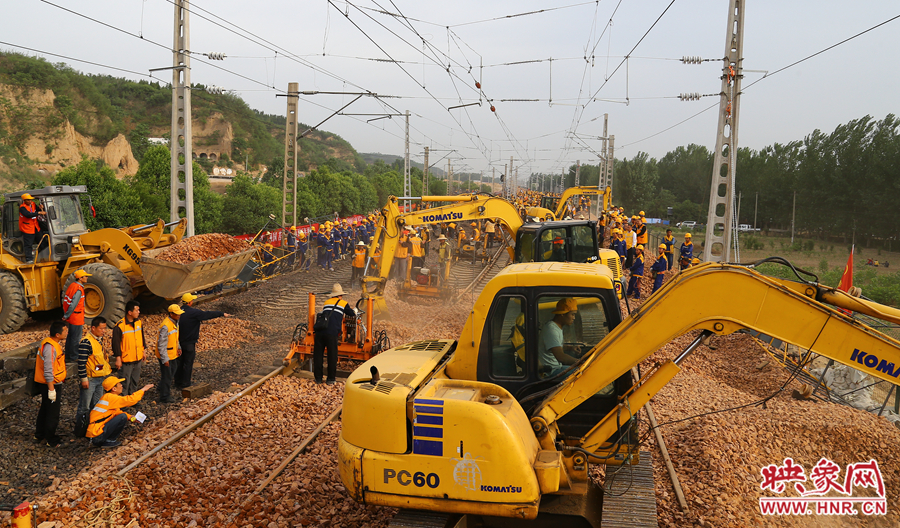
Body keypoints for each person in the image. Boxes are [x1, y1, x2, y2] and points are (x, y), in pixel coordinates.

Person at [175, 293, 230, 389]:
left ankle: (177, 382)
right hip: (189, 343)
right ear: (190, 302)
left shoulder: (178, 312)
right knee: (188, 363)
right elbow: (207, 314)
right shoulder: (193, 312)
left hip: (178, 342)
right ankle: (186, 383)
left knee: (179, 362)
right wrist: (221, 313)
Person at [86, 376, 153, 448]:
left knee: (123, 416)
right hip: (96, 435)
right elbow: (130, 400)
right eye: (119, 384)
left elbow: (117, 412)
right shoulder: (110, 397)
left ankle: (108, 441)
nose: (121, 385)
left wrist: (131, 418)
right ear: (114, 389)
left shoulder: (108, 398)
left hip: (96, 434)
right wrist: (143, 389)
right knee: (122, 417)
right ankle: (109, 441)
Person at [75, 316, 111, 435]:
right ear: (93, 328)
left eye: (104, 328)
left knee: (97, 405)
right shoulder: (86, 342)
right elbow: (81, 362)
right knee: (84, 407)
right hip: (90, 380)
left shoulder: (98, 340)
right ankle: (80, 430)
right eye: (101, 328)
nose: (103, 331)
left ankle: (93, 428)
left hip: (99, 378)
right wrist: (84, 379)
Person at [34, 321, 68, 447]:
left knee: (45, 409)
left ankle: (40, 434)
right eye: (65, 331)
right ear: (58, 334)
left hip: (49, 383)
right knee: (52, 413)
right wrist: (51, 389)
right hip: (51, 383)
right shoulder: (50, 348)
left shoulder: (51, 344)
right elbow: (48, 369)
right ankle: (51, 439)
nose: (67, 332)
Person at [313, 283, 354, 384]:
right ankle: (330, 379)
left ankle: (318, 379)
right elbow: (352, 314)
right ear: (340, 295)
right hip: (332, 333)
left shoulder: (327, 302)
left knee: (318, 356)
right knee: (332, 356)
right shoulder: (343, 303)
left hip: (320, 332)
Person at [538, 298, 581, 377]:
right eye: (572, 314)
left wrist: (570, 348)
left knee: (581, 370)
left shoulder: (556, 327)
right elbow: (561, 357)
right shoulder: (551, 329)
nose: (574, 318)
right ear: (562, 314)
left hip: (557, 367)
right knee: (583, 373)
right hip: (550, 372)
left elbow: (554, 347)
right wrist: (581, 362)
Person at [112, 300, 146, 397]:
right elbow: (116, 344)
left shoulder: (139, 322)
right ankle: (123, 402)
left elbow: (142, 338)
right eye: (137, 310)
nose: (138, 312)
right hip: (126, 360)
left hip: (137, 358)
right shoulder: (120, 326)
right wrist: (118, 359)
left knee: (135, 381)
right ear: (130, 312)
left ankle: (133, 400)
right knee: (124, 383)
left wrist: (143, 351)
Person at [156, 305, 183, 403]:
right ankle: (164, 397)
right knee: (167, 376)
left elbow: (175, 338)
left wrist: (178, 347)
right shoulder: (166, 326)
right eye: (177, 314)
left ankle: (161, 387)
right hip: (167, 355)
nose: (179, 315)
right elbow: (161, 344)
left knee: (171, 373)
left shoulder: (175, 322)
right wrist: (165, 359)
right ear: (171, 314)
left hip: (172, 354)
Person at [62, 269, 91, 360]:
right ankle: (74, 357)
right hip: (76, 317)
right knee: (75, 338)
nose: (87, 278)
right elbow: (73, 304)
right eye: (85, 276)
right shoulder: (78, 289)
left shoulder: (72, 286)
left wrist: (66, 315)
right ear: (80, 278)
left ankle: (68, 355)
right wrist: (66, 315)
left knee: (70, 336)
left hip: (73, 316)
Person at [18, 193, 47, 264]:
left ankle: (45, 255)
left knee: (42, 240)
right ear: (24, 200)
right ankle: (29, 259)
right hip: (27, 228)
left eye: (30, 199)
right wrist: (39, 212)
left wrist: (40, 207)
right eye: (28, 200)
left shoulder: (33, 204)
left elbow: (36, 210)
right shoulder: (22, 208)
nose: (30, 201)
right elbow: (28, 215)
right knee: (28, 244)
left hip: (35, 226)